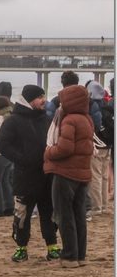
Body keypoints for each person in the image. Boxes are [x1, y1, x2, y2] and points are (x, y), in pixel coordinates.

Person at [0, 85, 59, 262]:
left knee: (49, 213)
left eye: (44, 96)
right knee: (22, 215)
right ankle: (21, 248)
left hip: (47, 176)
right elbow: (3, 145)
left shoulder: (47, 119)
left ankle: (52, 246)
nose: (44, 100)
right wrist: (22, 159)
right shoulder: (12, 121)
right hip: (24, 177)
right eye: (39, 97)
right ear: (28, 100)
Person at [44, 84, 95, 267]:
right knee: (79, 215)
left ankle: (69, 256)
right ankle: (80, 256)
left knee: (65, 215)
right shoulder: (87, 119)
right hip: (83, 173)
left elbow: (65, 148)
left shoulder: (69, 120)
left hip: (66, 173)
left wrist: (48, 152)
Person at [86, 80, 111, 215]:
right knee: (104, 176)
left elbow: (94, 125)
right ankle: (105, 205)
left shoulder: (93, 105)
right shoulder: (106, 104)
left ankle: (96, 206)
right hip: (108, 144)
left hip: (97, 144)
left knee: (95, 175)